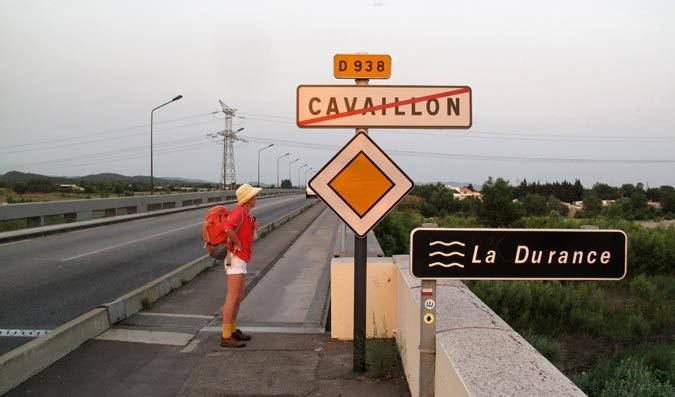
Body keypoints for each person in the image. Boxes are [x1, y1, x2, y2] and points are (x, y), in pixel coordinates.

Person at [220, 183, 261, 348]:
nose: (256, 198)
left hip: (242, 259)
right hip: (235, 259)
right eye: (254, 196)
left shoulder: (246, 214)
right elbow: (227, 229)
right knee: (232, 297)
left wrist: (254, 228)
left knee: (239, 296)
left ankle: (233, 329)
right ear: (248, 199)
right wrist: (237, 244)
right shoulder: (238, 212)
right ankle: (226, 336)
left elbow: (250, 239)